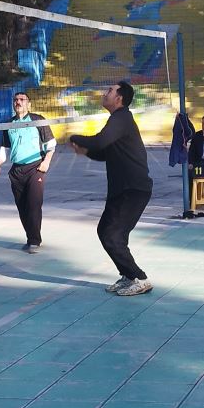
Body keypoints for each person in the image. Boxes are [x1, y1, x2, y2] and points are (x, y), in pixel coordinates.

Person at [70, 81, 154, 296]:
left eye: (109, 91)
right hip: (121, 190)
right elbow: (105, 152)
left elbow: (100, 141)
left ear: (119, 98)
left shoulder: (121, 117)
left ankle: (139, 278)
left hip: (133, 189)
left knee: (112, 234)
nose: (105, 93)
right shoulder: (118, 120)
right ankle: (128, 276)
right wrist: (86, 151)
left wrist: (74, 137)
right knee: (107, 232)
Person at [0, 92, 56, 252]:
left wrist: (46, 162)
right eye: (15, 100)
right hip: (17, 170)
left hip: (35, 168)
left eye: (22, 100)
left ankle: (34, 240)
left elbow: (51, 143)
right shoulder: (9, 124)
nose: (18, 102)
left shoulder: (37, 120)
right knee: (22, 207)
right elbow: (5, 147)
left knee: (34, 204)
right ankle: (30, 238)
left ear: (29, 104)